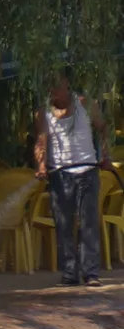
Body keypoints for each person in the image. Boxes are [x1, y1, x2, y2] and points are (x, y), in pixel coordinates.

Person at [35, 77, 109, 285]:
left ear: (66, 84)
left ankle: (91, 273)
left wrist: (105, 156)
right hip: (60, 173)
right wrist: (41, 166)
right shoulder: (43, 113)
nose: (53, 90)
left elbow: (102, 128)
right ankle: (69, 273)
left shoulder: (84, 103)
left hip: (87, 170)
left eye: (56, 85)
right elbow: (41, 142)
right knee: (64, 224)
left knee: (88, 223)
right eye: (49, 86)